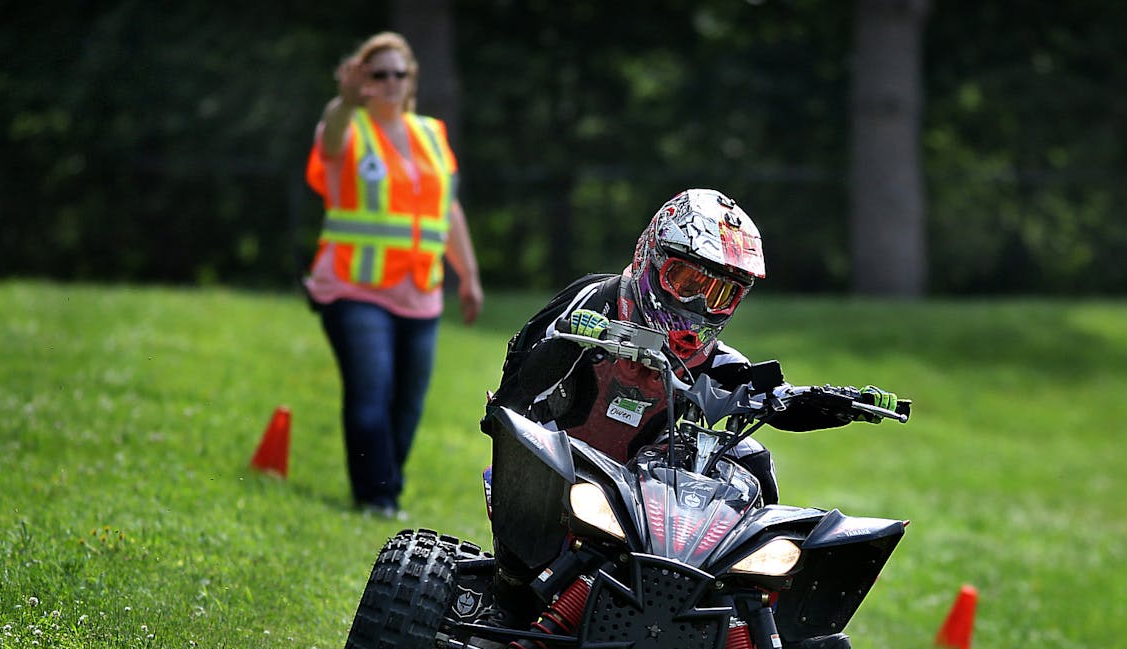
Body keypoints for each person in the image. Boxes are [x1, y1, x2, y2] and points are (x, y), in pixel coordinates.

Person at [484, 187, 899, 599]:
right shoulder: (595, 300)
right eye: (686, 282)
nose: (700, 304)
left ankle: (737, 597)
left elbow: (772, 397)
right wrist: (570, 340)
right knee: (520, 573)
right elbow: (518, 386)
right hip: (559, 473)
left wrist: (831, 402)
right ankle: (511, 589)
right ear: (652, 256)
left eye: (720, 294)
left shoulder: (712, 357)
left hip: (635, 491)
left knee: (750, 458)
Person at [304, 31, 484, 517]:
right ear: (362, 81)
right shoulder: (346, 125)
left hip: (420, 292)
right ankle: (376, 497)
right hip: (353, 288)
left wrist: (467, 275)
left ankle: (386, 488)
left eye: (396, 73)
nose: (388, 82)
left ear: (411, 80)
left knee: (406, 405)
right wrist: (342, 102)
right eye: (376, 74)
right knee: (372, 392)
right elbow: (332, 138)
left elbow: (449, 211)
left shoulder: (430, 133)